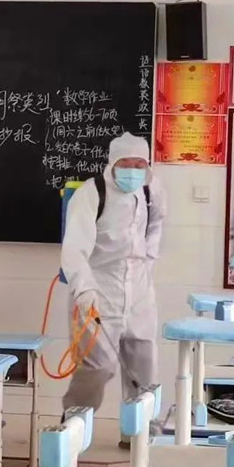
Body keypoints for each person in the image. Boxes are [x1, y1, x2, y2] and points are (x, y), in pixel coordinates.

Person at [61, 132, 167, 447]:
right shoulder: (92, 193)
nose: (133, 171)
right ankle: (73, 427)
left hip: (139, 290)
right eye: (126, 164)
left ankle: (139, 435)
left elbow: (157, 225)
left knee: (144, 364)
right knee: (98, 366)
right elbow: (74, 249)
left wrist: (148, 260)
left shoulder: (152, 190)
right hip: (99, 287)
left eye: (139, 164)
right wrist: (84, 291)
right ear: (113, 164)